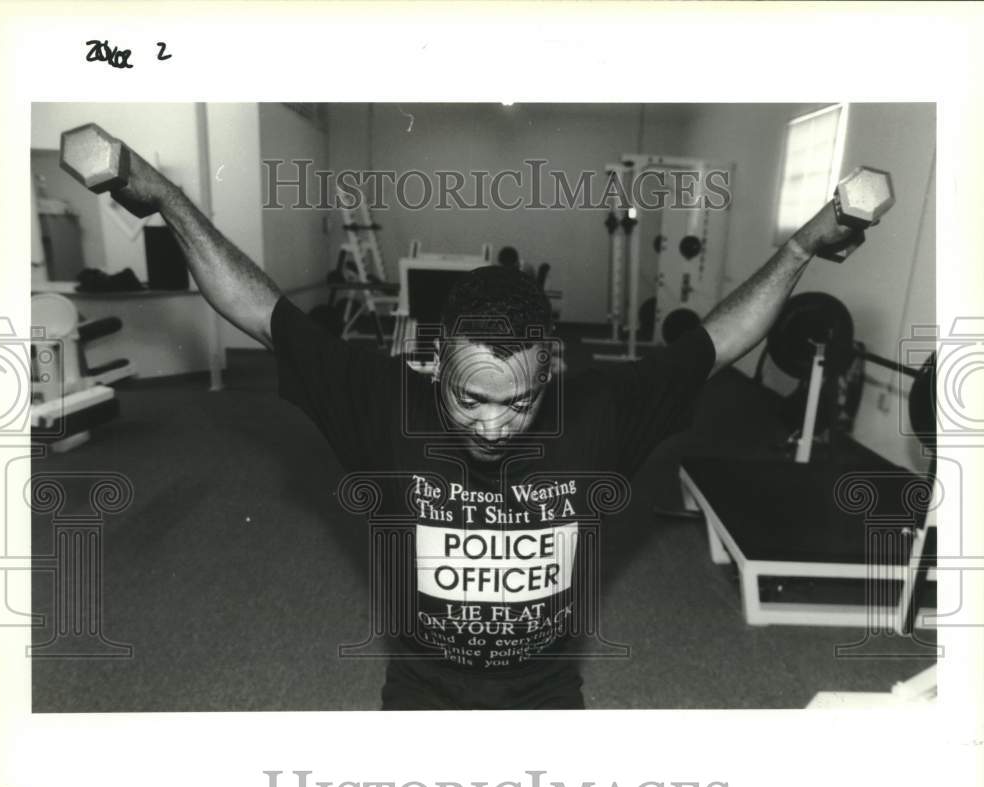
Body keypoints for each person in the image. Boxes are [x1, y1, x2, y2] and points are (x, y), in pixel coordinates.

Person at [110, 143, 860, 710]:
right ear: (436, 366)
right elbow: (260, 310)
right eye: (471, 399)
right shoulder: (384, 402)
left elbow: (718, 340)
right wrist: (167, 197)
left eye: (520, 402)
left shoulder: (600, 410)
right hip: (419, 694)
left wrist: (801, 245)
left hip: (546, 695)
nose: (494, 425)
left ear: (554, 372)